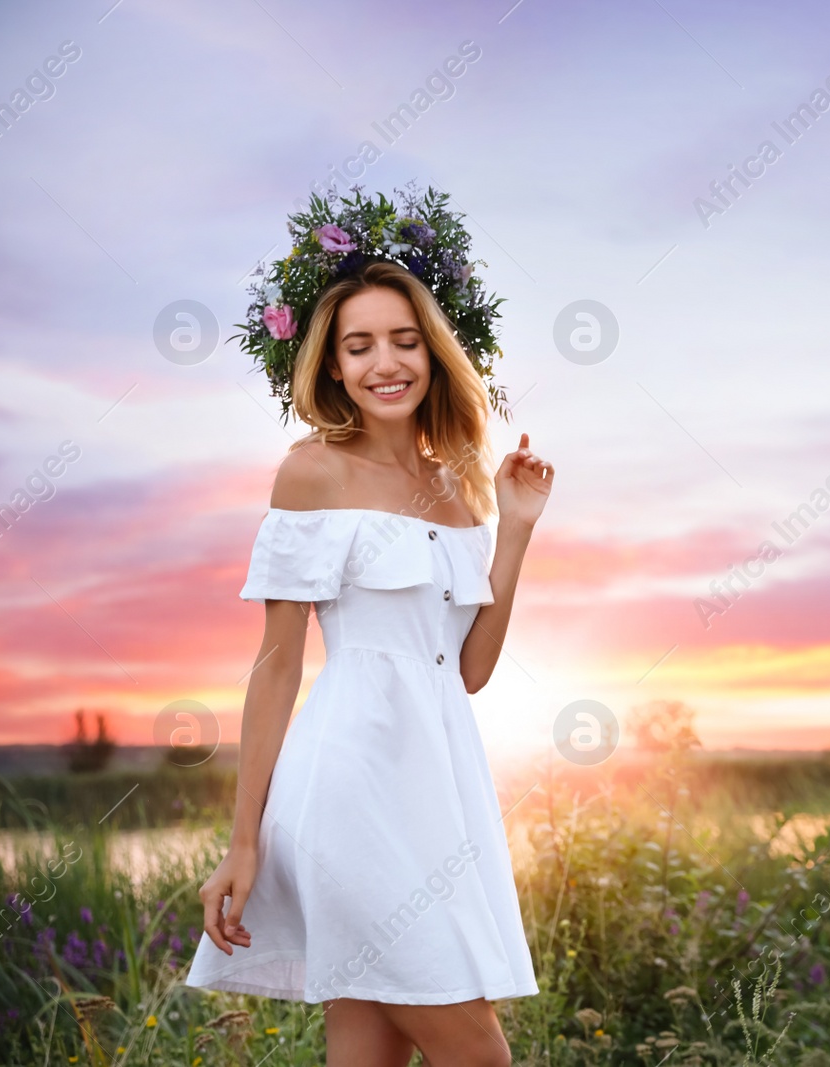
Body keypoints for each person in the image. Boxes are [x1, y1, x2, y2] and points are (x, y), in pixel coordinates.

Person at [185, 193, 547, 1066]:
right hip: (347, 792)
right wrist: (244, 842)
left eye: (404, 339)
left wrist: (517, 527)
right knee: (479, 1052)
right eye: (360, 345)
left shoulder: (460, 485)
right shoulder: (311, 473)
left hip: (440, 794)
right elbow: (276, 668)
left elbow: (465, 671)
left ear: (435, 350)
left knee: (368, 1048)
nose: (386, 361)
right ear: (333, 367)